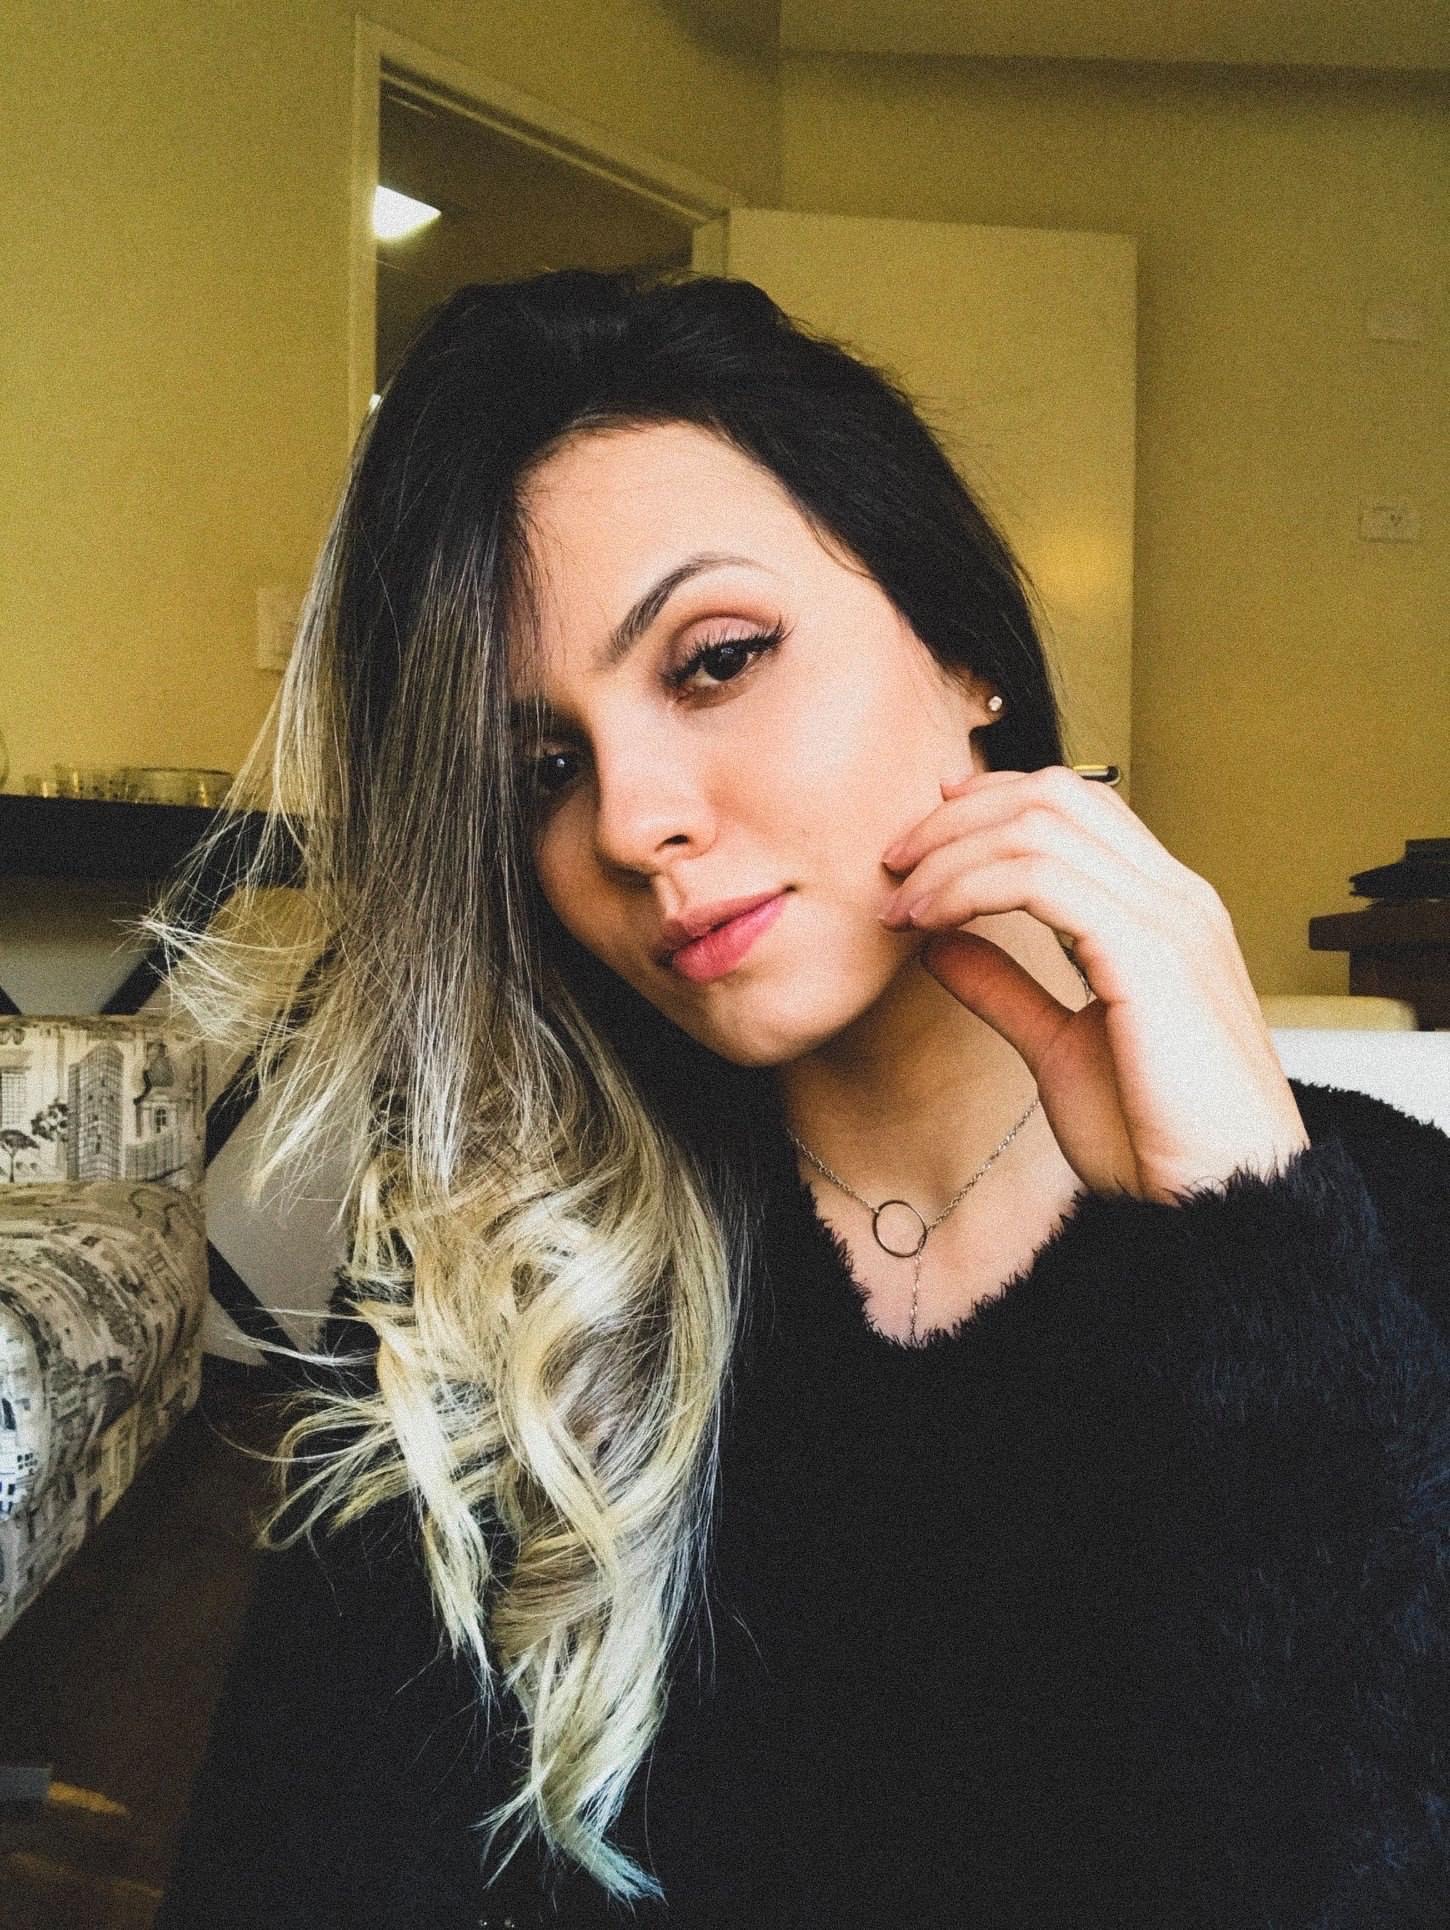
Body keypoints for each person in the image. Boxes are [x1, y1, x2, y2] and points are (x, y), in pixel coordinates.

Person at [147, 268, 1450, 1929]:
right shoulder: (499, 1302)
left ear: (962, 646)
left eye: (715, 661)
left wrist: (1262, 1261)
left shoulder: (1378, 1238)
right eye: (541, 769)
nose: (632, 821)